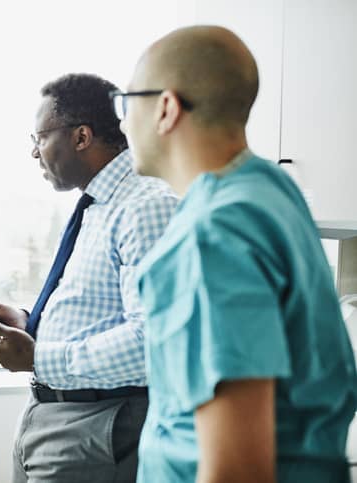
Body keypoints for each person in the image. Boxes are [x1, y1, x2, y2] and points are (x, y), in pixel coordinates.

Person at [116, 25, 357, 483]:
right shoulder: (271, 188)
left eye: (126, 103)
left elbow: (237, 469)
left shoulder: (211, 234)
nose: (123, 122)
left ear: (166, 108)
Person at [0, 73, 178, 483]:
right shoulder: (98, 204)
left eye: (39, 138)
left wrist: (38, 357)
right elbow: (98, 309)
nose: (34, 153)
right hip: (55, 418)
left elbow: (152, 342)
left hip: (95, 426)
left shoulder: (146, 206)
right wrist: (31, 323)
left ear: (81, 136)